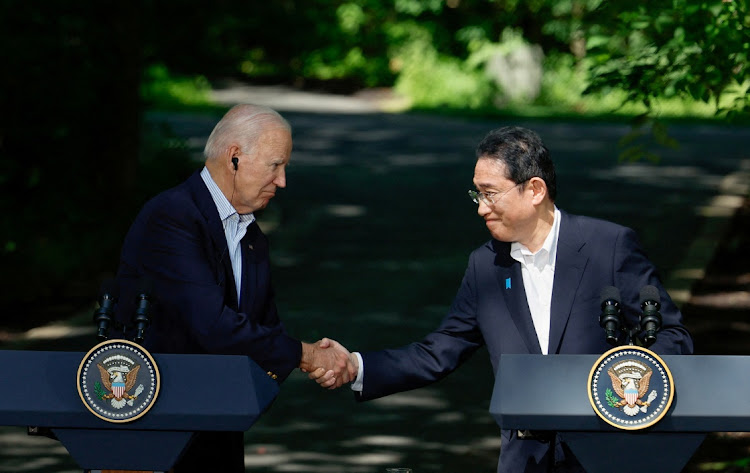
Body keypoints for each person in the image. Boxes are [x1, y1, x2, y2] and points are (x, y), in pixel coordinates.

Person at [310, 126, 694, 472]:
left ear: (535, 190)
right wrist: (357, 366)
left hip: (607, 453)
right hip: (524, 459)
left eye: (491, 194)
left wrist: (625, 390)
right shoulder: (485, 265)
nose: (481, 207)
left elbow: (672, 337)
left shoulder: (608, 247)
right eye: (477, 194)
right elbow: (441, 349)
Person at [113, 104, 356, 473]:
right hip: (153, 428)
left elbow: (265, 329)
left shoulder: (251, 236)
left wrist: (321, 359)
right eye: (276, 165)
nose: (283, 181)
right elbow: (211, 325)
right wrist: (306, 355)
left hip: (217, 427)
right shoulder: (173, 216)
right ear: (235, 157)